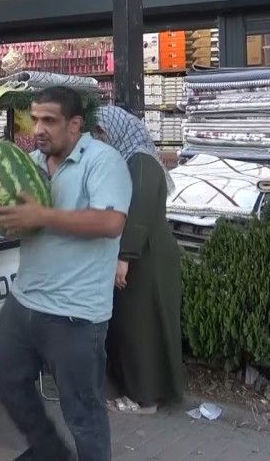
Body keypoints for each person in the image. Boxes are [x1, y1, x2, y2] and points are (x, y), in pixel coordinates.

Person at [0, 86, 131, 461]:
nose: (38, 128)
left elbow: (111, 223)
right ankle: (50, 450)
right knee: (3, 372)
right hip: (26, 300)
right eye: (35, 119)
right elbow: (11, 224)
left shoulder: (103, 161)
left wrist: (44, 216)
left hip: (76, 313)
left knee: (83, 412)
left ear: (74, 124)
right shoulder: (31, 163)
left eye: (49, 121)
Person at [95, 105, 184, 414]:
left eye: (102, 133)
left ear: (118, 131)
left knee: (141, 326)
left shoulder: (141, 162)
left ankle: (143, 397)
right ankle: (147, 391)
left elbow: (139, 214)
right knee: (140, 324)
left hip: (146, 261)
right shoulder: (130, 160)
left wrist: (124, 257)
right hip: (142, 258)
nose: (100, 139)